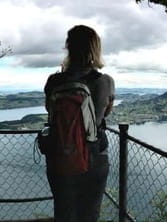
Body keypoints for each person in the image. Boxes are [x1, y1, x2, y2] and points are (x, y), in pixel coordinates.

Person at [43, 25, 115, 222]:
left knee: (64, 212)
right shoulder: (105, 81)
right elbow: (105, 113)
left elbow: (50, 111)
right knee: (90, 214)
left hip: (59, 151)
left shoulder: (53, 81)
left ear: (68, 47)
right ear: (95, 48)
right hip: (95, 154)